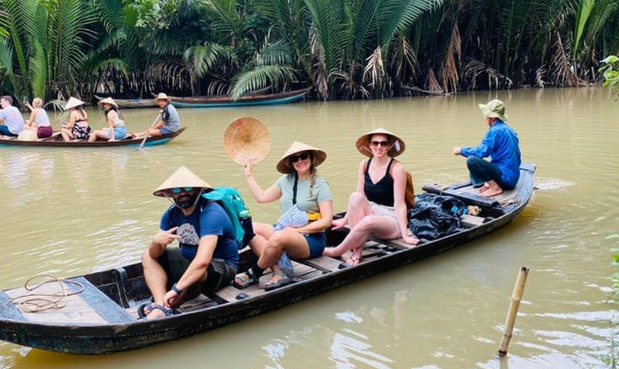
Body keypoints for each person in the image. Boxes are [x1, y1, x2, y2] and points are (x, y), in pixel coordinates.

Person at [140, 166, 239, 319]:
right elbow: (155, 254)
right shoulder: (172, 213)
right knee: (147, 254)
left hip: (222, 266)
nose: (183, 194)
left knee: (198, 273)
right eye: (178, 191)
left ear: (197, 190)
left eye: (187, 188)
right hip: (191, 261)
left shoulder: (211, 213)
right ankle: (161, 306)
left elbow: (202, 262)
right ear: (171, 194)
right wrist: (155, 242)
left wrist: (175, 290)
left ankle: (173, 303)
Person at [233, 141, 333, 290]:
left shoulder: (320, 185)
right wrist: (248, 174)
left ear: (311, 158)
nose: (300, 161)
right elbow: (262, 197)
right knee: (249, 228)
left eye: (303, 156)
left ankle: (254, 272)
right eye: (295, 158)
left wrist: (297, 231)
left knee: (280, 236)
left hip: (310, 239)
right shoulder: (285, 181)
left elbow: (327, 221)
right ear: (291, 162)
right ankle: (279, 271)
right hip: (284, 231)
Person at [323, 128, 419, 267]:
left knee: (368, 221)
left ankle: (338, 251)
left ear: (389, 145)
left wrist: (405, 235)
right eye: (375, 143)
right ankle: (357, 251)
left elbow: (400, 204)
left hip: (391, 219)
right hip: (373, 211)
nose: (379, 147)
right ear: (369, 145)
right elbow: (359, 196)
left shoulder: (396, 168)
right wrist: (344, 220)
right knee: (355, 197)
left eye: (383, 143)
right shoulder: (364, 165)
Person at [454, 99, 521, 198]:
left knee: (472, 161)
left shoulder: (494, 131)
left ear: (492, 118)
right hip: (513, 177)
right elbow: (517, 158)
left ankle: (495, 188)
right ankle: (489, 185)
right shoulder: (510, 131)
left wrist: (461, 150)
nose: (484, 117)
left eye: (486, 115)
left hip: (506, 178)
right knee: (477, 168)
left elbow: (481, 152)